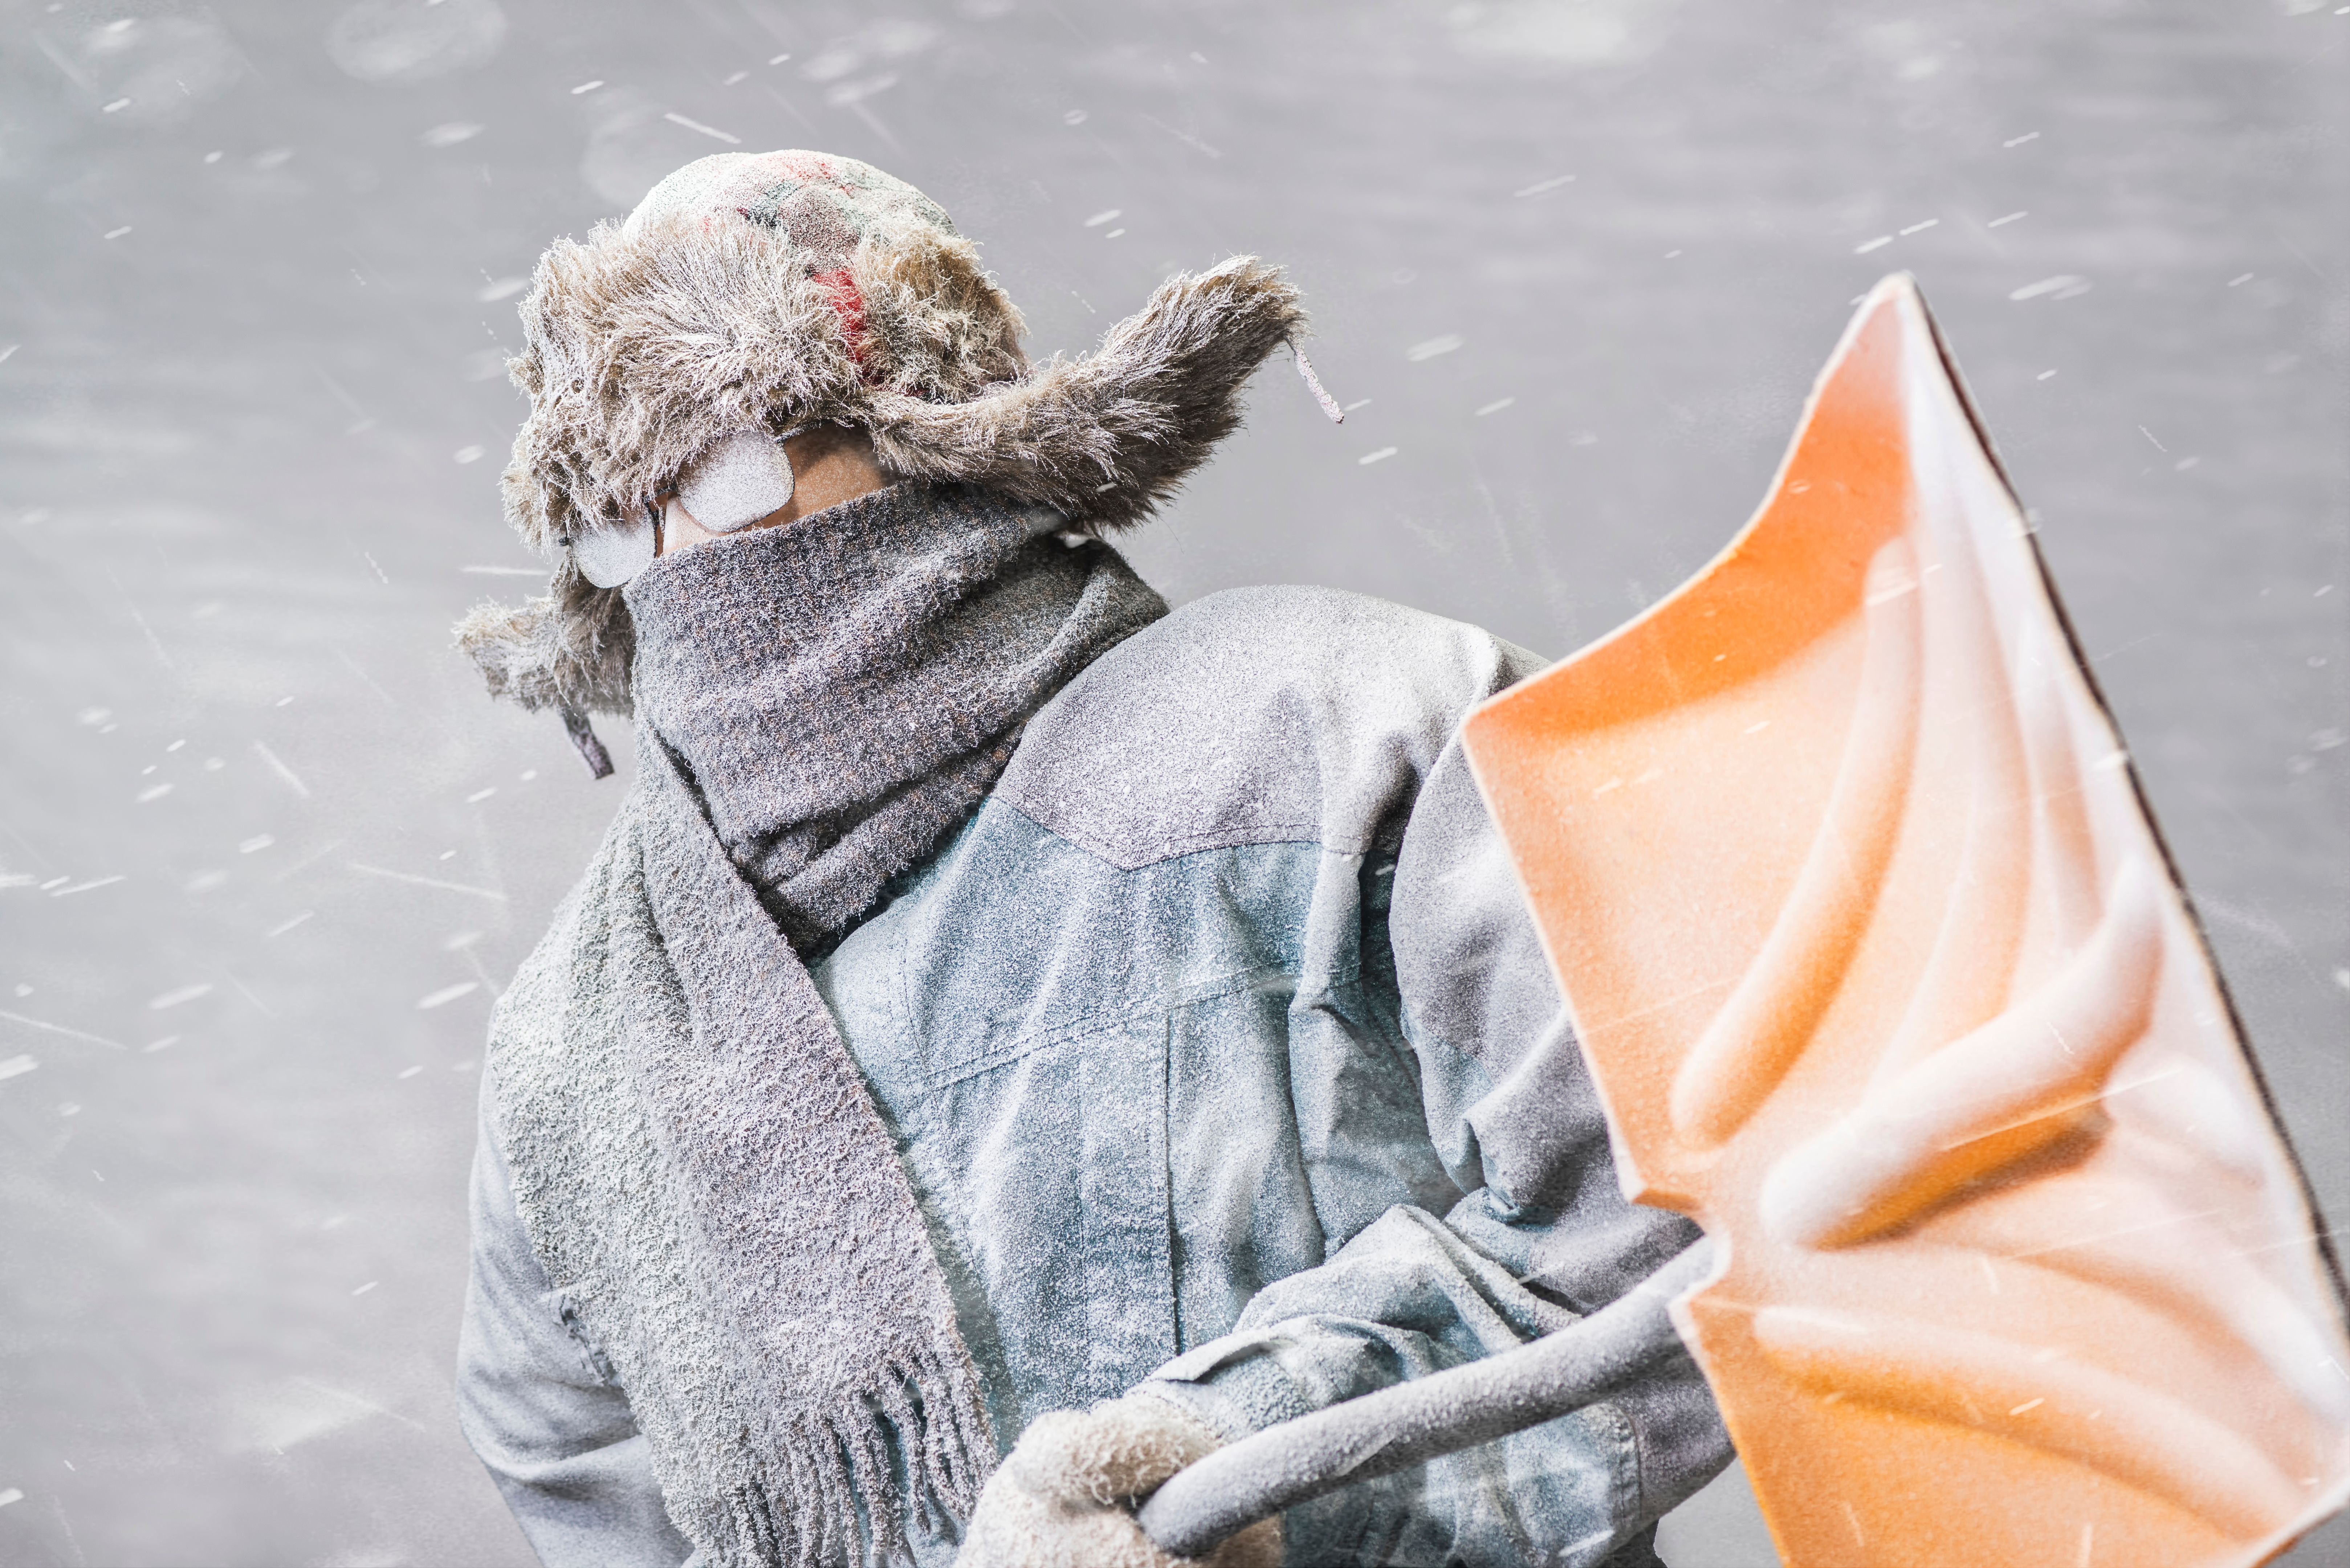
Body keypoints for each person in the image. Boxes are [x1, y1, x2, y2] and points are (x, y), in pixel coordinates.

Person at [452, 149, 1730, 1568]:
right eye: (618, 523)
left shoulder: (1336, 730)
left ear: (934, 428)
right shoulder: (573, 1053)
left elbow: (1690, 1215)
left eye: (730, 472)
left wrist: (1234, 1469)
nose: (680, 561)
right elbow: (586, 1491)